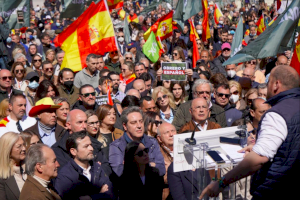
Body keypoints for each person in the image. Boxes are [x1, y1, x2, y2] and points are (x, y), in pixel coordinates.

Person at [199, 65, 300, 200]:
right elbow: (291, 144)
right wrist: (260, 145)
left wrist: (222, 182)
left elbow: (258, 159)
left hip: (275, 191)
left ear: (276, 84)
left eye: (269, 82)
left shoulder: (276, 114)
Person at [54, 131, 113, 199]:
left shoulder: (97, 168)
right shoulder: (65, 176)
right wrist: (98, 195)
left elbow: (110, 193)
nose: (91, 148)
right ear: (73, 151)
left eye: (91, 145)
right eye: (86, 146)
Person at [109, 106, 165, 177]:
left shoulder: (152, 142)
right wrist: (151, 164)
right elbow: (120, 172)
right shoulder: (116, 146)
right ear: (125, 126)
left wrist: (130, 165)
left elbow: (161, 169)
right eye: (134, 123)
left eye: (141, 121)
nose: (139, 126)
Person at [52, 109, 111, 176]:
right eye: (79, 122)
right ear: (69, 125)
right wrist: (93, 170)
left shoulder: (95, 144)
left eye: (85, 122)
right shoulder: (58, 150)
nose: (84, 126)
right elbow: (64, 175)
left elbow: (107, 169)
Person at [0, 132, 27, 200]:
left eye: (24, 145)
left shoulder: (30, 168)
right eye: (19, 146)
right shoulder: (2, 177)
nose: (24, 149)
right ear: (7, 149)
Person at [156, 123, 176, 200]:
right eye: (166, 132)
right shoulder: (157, 154)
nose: (171, 134)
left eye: (173, 131)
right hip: (167, 194)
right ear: (159, 138)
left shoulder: (185, 149)